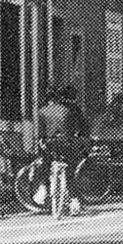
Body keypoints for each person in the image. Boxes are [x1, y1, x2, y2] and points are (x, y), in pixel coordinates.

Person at [36, 86, 90, 217]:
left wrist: (42, 144)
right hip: (66, 145)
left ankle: (43, 188)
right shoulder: (68, 111)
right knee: (70, 173)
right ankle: (74, 202)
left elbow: (40, 135)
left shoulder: (42, 112)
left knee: (45, 163)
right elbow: (77, 129)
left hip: (50, 145)